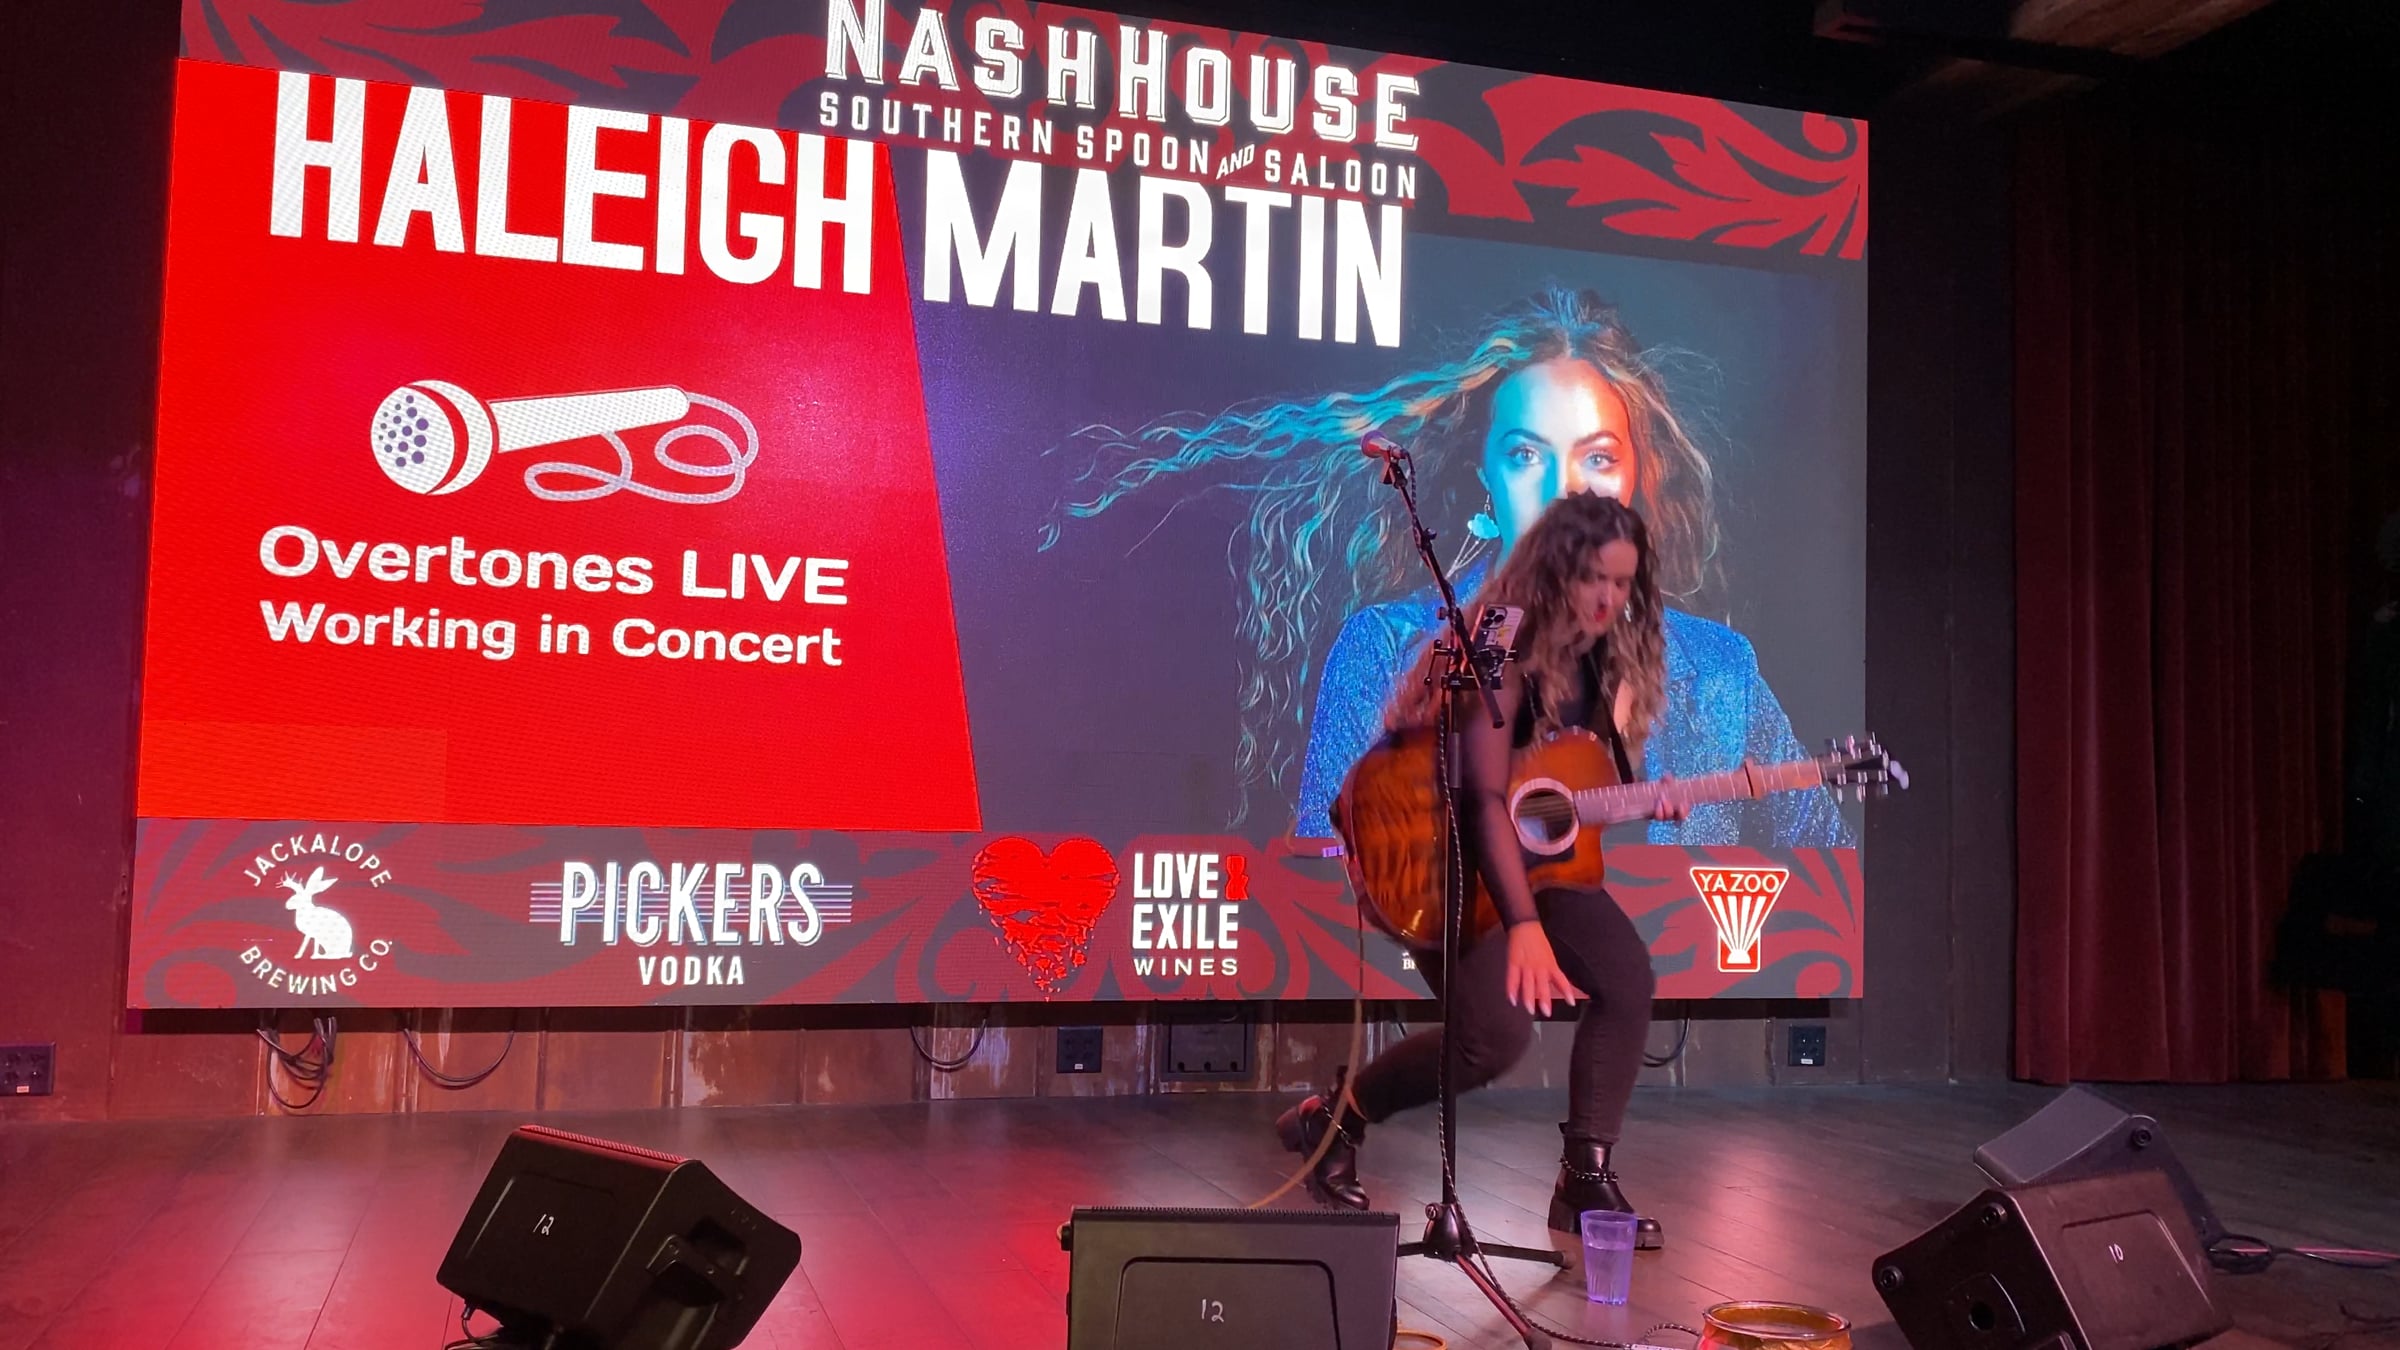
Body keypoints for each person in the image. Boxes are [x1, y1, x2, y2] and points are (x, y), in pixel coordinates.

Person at [1040, 286, 1848, 848]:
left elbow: (1826, 870)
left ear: (1639, 477)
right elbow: (1327, 868)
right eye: (1527, 454)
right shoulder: (1386, 649)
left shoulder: (1720, 670)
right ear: (1485, 478)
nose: (1566, 490)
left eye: (1598, 457)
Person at [1275, 492, 1681, 1246]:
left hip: (1530, 860)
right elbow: (1483, 798)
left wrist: (1650, 800)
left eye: (1623, 583)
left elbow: (1555, 787)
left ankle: (1584, 1177)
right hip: (1442, 856)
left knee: (1625, 977)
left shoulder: (1602, 656)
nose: (1608, 598)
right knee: (1490, 1041)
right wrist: (1523, 927)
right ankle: (1335, 1122)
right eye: (1594, 577)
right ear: (1556, 568)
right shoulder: (1500, 645)